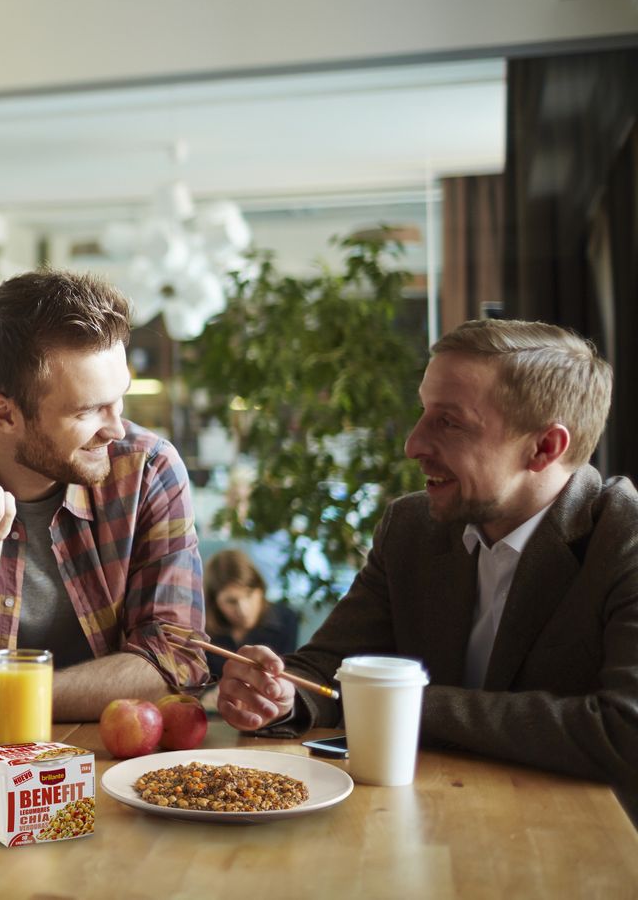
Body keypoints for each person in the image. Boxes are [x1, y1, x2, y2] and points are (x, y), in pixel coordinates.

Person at [217, 319, 638, 795]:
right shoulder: (411, 528)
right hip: (426, 815)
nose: (412, 445)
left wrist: (403, 703)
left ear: (544, 447)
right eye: (423, 412)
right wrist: (281, 695)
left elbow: (626, 731)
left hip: (576, 844)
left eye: (450, 422)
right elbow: (328, 667)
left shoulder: (624, 536)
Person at [0, 270, 209, 722]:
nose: (116, 429)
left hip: (110, 750)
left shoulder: (148, 469)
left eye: (118, 400)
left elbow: (175, 665)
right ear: (4, 413)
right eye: (89, 411)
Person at [202, 549, 298, 682]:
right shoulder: (203, 632)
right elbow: (199, 685)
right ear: (214, 603)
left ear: (261, 589)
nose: (243, 609)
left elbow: (289, 677)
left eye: (249, 595)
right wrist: (211, 693)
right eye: (231, 601)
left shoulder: (285, 620)